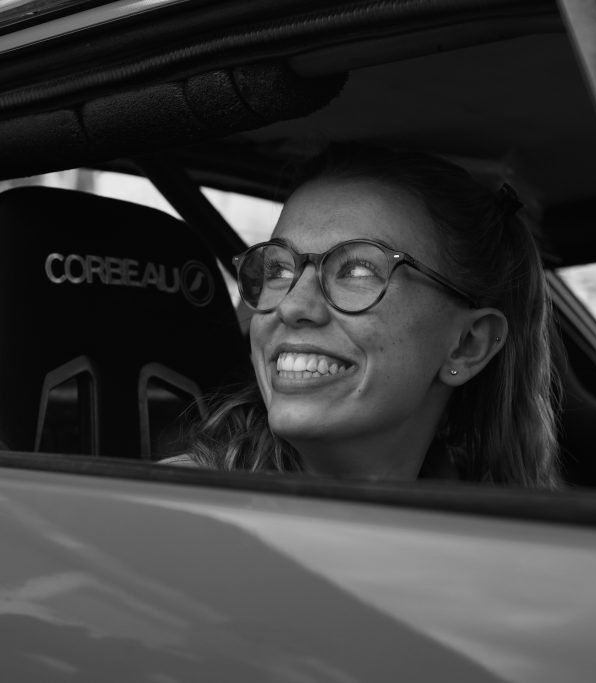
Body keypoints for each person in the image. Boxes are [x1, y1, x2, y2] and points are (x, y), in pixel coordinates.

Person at [169, 144, 560, 487]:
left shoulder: (502, 535)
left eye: (357, 271)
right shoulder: (177, 511)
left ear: (467, 346)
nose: (291, 306)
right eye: (279, 270)